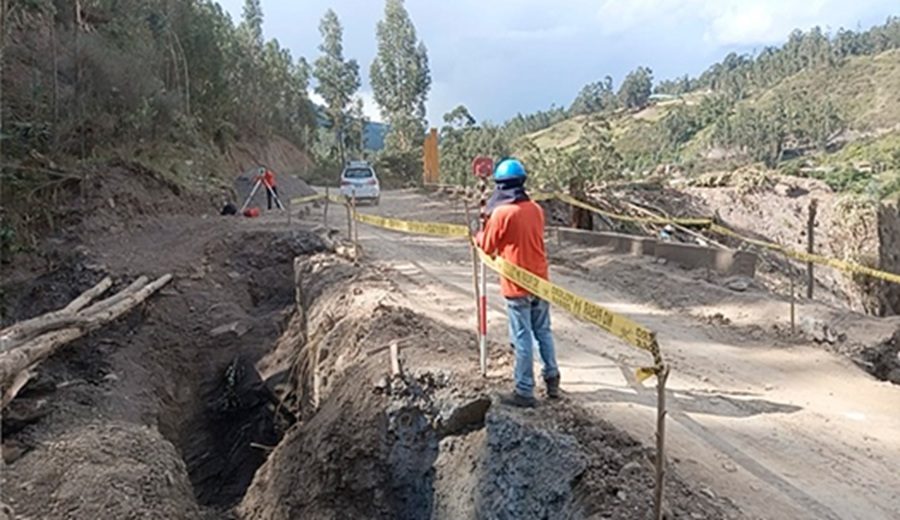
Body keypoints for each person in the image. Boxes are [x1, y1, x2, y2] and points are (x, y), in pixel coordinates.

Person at [477, 157, 560, 408]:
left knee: (522, 335)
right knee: (543, 331)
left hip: (516, 285)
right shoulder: (535, 208)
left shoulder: (501, 213)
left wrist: (479, 234)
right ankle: (552, 379)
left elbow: (488, 246)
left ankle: (524, 390)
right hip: (540, 280)